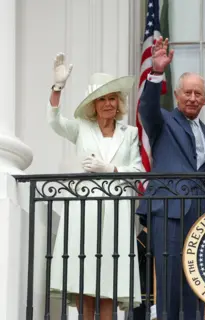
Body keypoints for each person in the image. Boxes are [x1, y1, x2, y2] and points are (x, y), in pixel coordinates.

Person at [48, 53, 144, 318]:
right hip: (85, 212)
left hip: (117, 213)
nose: (108, 103)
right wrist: (57, 88)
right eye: (102, 99)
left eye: (112, 97)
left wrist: (111, 169)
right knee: (84, 276)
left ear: (119, 102)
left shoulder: (130, 133)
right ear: (93, 104)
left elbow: (138, 171)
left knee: (110, 280)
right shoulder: (81, 127)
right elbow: (54, 122)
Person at [136, 37, 205, 320]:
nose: (193, 98)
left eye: (198, 94)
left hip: (200, 216)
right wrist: (156, 72)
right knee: (169, 278)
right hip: (169, 210)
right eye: (187, 93)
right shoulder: (162, 121)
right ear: (176, 95)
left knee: (197, 280)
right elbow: (146, 108)